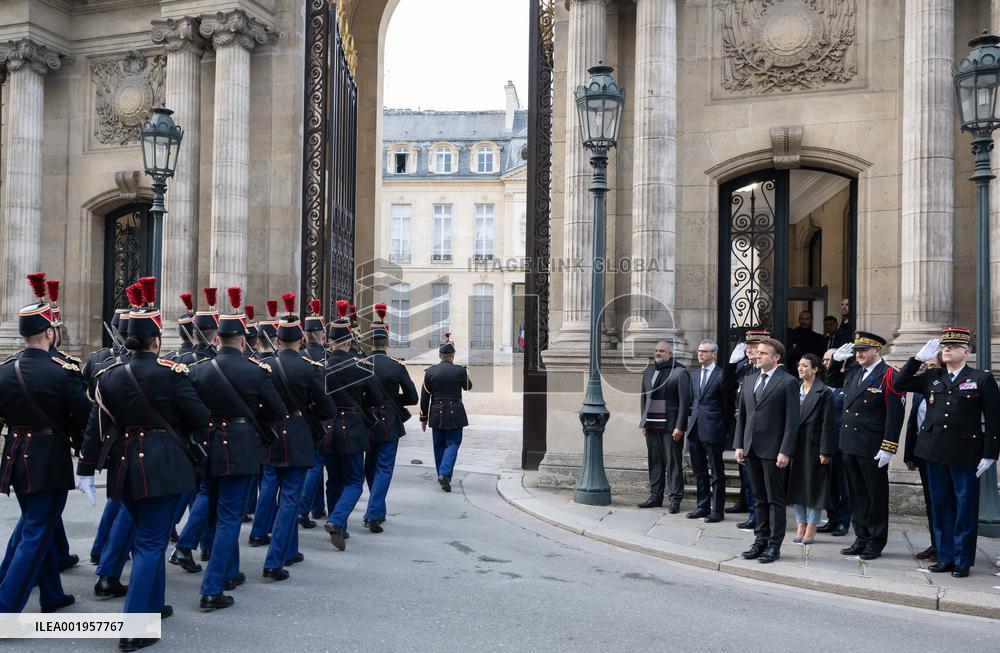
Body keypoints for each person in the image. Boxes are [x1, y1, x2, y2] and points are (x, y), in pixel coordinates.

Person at [76, 276, 209, 651]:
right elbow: (200, 417)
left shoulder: (108, 376)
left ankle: (154, 605)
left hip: (124, 465)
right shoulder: (170, 374)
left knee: (142, 533)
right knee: (151, 543)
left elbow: (95, 425)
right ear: (155, 341)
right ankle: (134, 628)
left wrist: (86, 467)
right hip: (163, 465)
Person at [186, 287, 286, 610]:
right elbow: (277, 410)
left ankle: (228, 572)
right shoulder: (256, 370)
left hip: (208, 447)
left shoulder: (198, 370)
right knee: (230, 518)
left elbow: (188, 409)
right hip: (241, 449)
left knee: (215, 515)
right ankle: (212, 587)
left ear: (216, 340)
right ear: (243, 341)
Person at [0, 274, 90, 613]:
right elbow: (83, 417)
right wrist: (87, 455)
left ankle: (52, 594)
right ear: (50, 332)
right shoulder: (63, 371)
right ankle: (5, 609)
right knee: (36, 531)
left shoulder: (5, 371)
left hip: (15, 457)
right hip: (48, 459)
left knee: (39, 524)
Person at [894, 328, 1000, 578]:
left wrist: (990, 454)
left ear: (967, 351)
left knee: (964, 507)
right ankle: (945, 556)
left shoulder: (981, 379)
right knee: (940, 506)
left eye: (954, 346)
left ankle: (962, 559)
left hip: (965, 452)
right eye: (945, 346)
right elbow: (899, 384)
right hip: (933, 451)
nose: (947, 349)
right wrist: (916, 359)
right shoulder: (932, 376)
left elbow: (995, 420)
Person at [261, 294, 336, 579]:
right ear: (301, 341)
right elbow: (327, 407)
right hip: (298, 436)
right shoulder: (309, 368)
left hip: (270, 435)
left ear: (277, 341)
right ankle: (274, 560)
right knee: (290, 498)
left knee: (279, 492)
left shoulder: (265, 366)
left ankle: (289, 549)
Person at [827, 332, 905, 561]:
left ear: (877, 351)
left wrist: (888, 446)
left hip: (872, 445)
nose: (859, 354)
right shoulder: (853, 372)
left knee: (875, 496)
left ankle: (876, 541)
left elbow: (894, 414)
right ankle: (860, 537)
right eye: (856, 351)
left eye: (863, 350)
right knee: (856, 494)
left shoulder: (889, 375)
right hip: (850, 443)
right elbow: (832, 383)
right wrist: (835, 362)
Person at [322, 300, 384, 550]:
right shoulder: (361, 367)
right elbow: (377, 398)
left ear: (330, 341)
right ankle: (337, 520)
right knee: (354, 482)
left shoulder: (320, 368)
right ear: (348, 341)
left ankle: (340, 526)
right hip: (352, 427)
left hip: (328, 428)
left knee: (333, 480)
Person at [733, 338, 799, 563]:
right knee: (758, 498)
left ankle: (774, 545)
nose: (757, 356)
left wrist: (785, 450)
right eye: (757, 353)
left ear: (776, 357)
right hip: (751, 448)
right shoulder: (749, 380)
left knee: (775, 500)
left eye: (762, 353)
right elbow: (742, 416)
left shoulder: (788, 382)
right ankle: (760, 540)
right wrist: (739, 444)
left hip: (774, 451)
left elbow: (792, 421)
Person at [363, 303, 418, 533]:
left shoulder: (362, 364)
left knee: (370, 467)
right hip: (389, 422)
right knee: (384, 467)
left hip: (367, 421)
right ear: (386, 343)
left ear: (371, 343)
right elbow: (413, 397)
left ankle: (378, 509)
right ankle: (374, 513)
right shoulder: (396, 366)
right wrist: (396, 403)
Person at [721, 329, 770, 528]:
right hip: (742, 425)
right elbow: (725, 388)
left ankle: (755, 514)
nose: (750, 349)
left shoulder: (763, 369)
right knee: (745, 473)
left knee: (755, 478)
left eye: (754, 346)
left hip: (758, 429)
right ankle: (748, 507)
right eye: (748, 346)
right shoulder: (743, 368)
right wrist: (731, 365)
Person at [787, 353, 838, 545]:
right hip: (795, 446)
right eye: (799, 365)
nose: (801, 369)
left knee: (814, 488)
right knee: (798, 486)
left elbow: (828, 424)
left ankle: (812, 525)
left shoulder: (824, 392)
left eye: (805, 366)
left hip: (814, 446)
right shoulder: (794, 389)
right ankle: (800, 523)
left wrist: (826, 450)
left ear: (815, 369)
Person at [637, 340, 690, 512]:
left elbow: (684, 402)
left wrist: (680, 426)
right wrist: (643, 421)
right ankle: (655, 497)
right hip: (652, 424)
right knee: (655, 462)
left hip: (671, 425)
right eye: (656, 350)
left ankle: (675, 499)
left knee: (673, 463)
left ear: (670, 354)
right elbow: (644, 398)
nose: (658, 353)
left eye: (662, 351)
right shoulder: (649, 371)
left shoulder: (680, 372)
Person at [420, 332, 473, 493]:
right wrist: (464, 373)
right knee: (453, 443)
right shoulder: (460, 371)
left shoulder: (430, 372)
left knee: (438, 445)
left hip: (436, 411)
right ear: (453, 355)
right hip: (454, 411)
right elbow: (468, 387)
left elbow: (424, 397)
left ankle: (442, 475)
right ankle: (444, 474)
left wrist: (423, 418)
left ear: (439, 355)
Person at [902, 352, 942, 562]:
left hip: (942, 453)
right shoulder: (921, 389)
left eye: (933, 365)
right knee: (930, 501)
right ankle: (935, 543)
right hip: (923, 452)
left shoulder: (944, 388)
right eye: (926, 365)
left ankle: (943, 545)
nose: (929, 369)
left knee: (942, 501)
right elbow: (913, 423)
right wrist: (909, 453)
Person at [685, 340, 726, 522]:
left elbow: (726, 405)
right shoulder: (694, 376)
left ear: (714, 354)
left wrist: (724, 429)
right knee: (699, 470)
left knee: (717, 472)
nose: (700, 354)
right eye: (699, 351)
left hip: (714, 429)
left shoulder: (721, 375)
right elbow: (693, 402)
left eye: (704, 351)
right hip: (695, 429)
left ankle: (717, 510)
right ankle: (702, 506)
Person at [297, 299, 328, 529]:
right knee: (317, 463)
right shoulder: (328, 359)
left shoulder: (298, 359)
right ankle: (304, 508)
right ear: (322, 335)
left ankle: (318, 507)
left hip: (300, 420)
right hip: (323, 418)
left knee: (315, 463)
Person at [817, 348, 851, 537]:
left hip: (843, 441)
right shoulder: (823, 384)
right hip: (827, 441)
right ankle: (832, 518)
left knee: (844, 485)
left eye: (829, 359)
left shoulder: (847, 382)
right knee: (829, 484)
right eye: (824, 359)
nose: (826, 363)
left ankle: (843, 521)